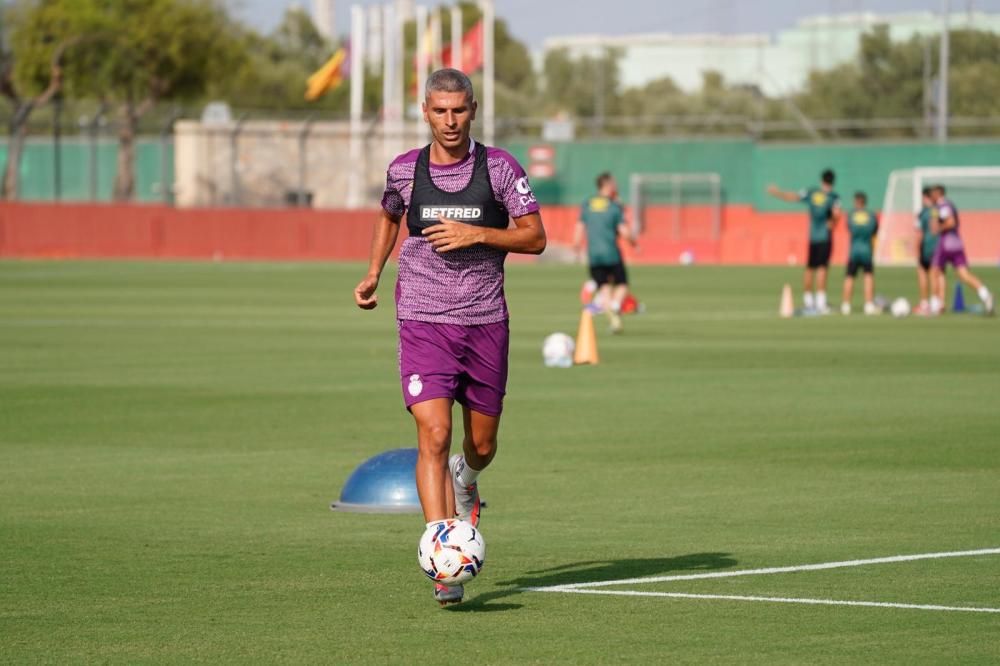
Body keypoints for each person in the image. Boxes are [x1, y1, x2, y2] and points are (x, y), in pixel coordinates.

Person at [353, 69, 546, 605]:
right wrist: (373, 270)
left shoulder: (501, 168)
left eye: (459, 110)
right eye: (440, 110)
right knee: (432, 434)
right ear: (425, 111)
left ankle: (467, 479)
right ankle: (444, 561)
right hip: (422, 318)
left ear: (474, 109)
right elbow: (389, 216)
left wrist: (478, 233)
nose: (450, 120)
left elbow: (536, 237)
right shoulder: (404, 170)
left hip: (485, 320)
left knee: (480, 445)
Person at [767, 169, 843, 313]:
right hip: (825, 237)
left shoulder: (812, 193)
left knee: (809, 268)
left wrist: (777, 192)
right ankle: (821, 303)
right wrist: (832, 222)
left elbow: (793, 196)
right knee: (822, 268)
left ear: (822, 181)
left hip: (813, 237)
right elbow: (837, 215)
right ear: (833, 181)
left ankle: (808, 301)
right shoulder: (834, 197)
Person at [573, 172, 636, 333]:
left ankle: (614, 320)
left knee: (604, 288)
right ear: (608, 185)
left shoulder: (587, 204)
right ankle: (615, 306)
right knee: (622, 284)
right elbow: (624, 231)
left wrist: (576, 246)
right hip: (611, 253)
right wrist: (634, 243)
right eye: (614, 184)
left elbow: (579, 227)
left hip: (594, 255)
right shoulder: (614, 206)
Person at [928, 185, 994, 315]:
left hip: (946, 243)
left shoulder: (943, 205)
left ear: (937, 194)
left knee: (934, 271)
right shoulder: (944, 206)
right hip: (957, 243)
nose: (931, 197)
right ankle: (985, 294)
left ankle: (935, 304)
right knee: (963, 274)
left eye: (932, 194)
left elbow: (950, 222)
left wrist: (939, 227)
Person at [840, 192, 879, 315]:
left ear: (856, 201)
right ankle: (868, 304)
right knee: (868, 276)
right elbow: (875, 230)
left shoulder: (851, 215)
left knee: (850, 276)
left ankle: (846, 305)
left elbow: (849, 228)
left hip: (854, 250)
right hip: (867, 249)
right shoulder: (871, 215)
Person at [914, 187, 944, 316]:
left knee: (923, 272)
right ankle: (937, 303)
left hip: (927, 246)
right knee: (937, 274)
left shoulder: (923, 212)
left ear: (925, 197)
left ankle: (925, 303)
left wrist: (916, 249)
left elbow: (919, 233)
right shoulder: (938, 210)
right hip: (939, 246)